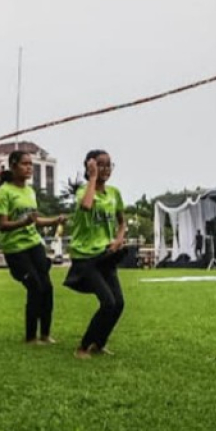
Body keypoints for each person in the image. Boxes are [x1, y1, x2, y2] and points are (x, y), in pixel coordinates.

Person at [0, 149, 65, 345]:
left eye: (31, 165)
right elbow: (2, 224)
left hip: (33, 244)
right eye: (25, 164)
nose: (29, 168)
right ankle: (31, 336)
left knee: (47, 288)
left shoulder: (30, 192)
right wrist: (22, 223)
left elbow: (35, 221)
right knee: (34, 286)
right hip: (15, 248)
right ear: (13, 165)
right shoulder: (4, 191)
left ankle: (45, 334)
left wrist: (54, 220)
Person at [64, 150, 126, 359]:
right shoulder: (84, 191)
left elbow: (122, 221)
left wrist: (118, 239)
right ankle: (83, 347)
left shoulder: (114, 194)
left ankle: (99, 344)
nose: (106, 169)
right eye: (100, 165)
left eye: (109, 165)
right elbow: (87, 205)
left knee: (119, 303)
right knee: (108, 303)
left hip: (105, 255)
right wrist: (92, 178)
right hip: (85, 257)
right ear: (90, 166)